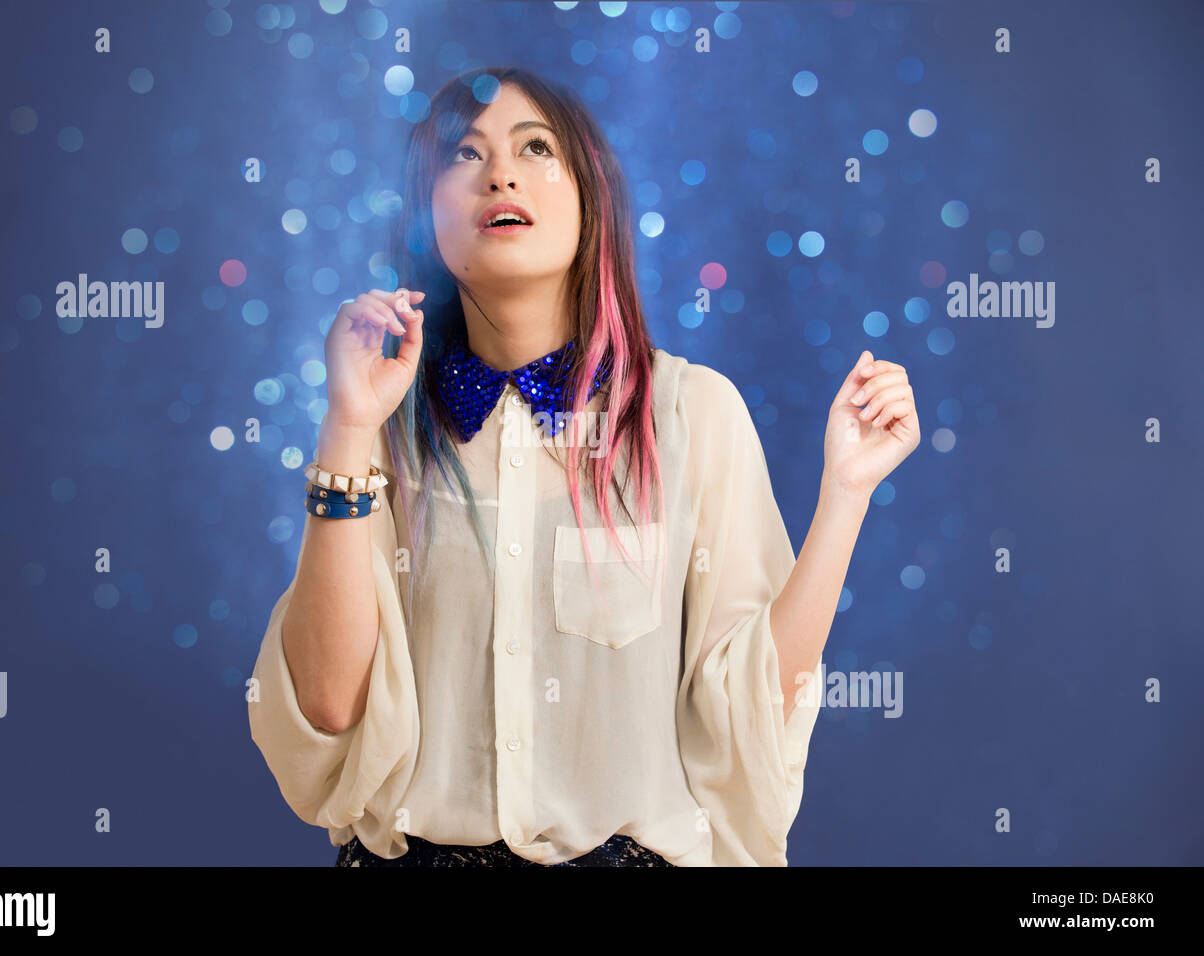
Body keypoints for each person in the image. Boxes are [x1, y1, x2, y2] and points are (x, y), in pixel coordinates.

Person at [248, 66, 920, 867]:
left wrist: (844, 497)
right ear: (428, 219)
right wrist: (348, 425)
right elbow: (327, 709)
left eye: (536, 148)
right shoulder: (386, 428)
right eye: (464, 155)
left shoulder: (692, 412)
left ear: (591, 198)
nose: (500, 172)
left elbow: (749, 713)